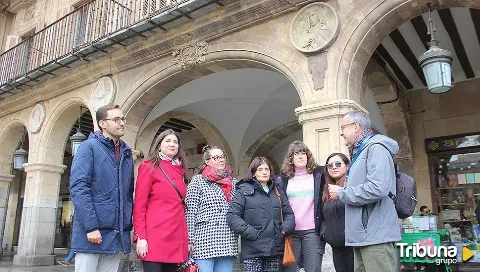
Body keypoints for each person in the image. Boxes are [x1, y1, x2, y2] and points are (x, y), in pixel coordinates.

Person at [328, 110, 401, 272]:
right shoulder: (361, 151)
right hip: (364, 236)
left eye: (343, 127)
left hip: (375, 236)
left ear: (356, 127)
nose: (341, 132)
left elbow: (378, 188)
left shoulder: (376, 149)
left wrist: (341, 193)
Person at [70, 105, 134, 272]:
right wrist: (91, 227)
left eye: (123, 119)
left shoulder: (126, 153)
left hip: (116, 235)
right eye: (116, 119)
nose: (122, 123)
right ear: (102, 124)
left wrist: (126, 227)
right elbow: (79, 189)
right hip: (92, 235)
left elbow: (127, 194)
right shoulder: (88, 147)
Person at [133, 129, 189, 272]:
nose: (172, 144)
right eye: (168, 141)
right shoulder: (148, 167)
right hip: (154, 236)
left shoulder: (181, 169)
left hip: (175, 235)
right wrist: (141, 237)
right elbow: (139, 205)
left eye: (175, 142)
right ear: (159, 145)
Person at [227, 157, 295, 272]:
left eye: (267, 169)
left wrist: (283, 230)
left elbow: (289, 214)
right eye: (260, 169)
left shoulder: (277, 191)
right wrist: (252, 233)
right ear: (253, 173)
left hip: (274, 247)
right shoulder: (243, 191)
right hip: (252, 249)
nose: (264, 172)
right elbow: (232, 217)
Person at [275, 141, 325, 272]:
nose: (301, 156)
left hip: (312, 230)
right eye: (296, 154)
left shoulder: (319, 174)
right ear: (290, 158)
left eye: (303, 153)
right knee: (289, 269)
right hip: (291, 232)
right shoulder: (282, 179)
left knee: (313, 268)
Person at [186, 145, 238, 272]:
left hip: (227, 238)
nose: (221, 160)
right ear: (207, 161)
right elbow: (190, 212)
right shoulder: (198, 181)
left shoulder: (233, 182)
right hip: (204, 240)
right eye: (216, 157)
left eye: (222, 156)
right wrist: (189, 240)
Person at [321, 153, 354, 272]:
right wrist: (325, 234)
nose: (334, 167)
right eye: (330, 165)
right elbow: (324, 217)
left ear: (347, 166)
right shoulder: (326, 190)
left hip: (354, 246)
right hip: (336, 247)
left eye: (338, 164)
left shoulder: (353, 187)